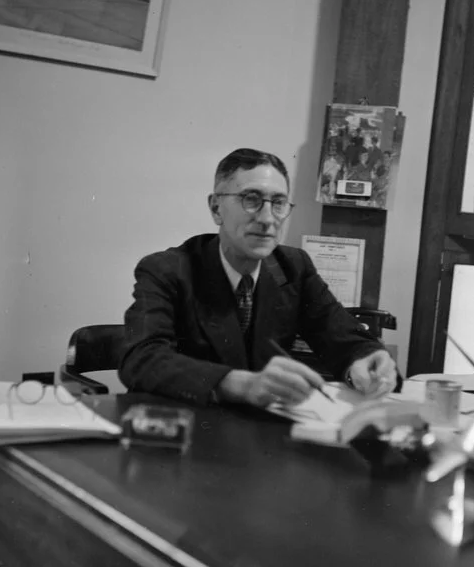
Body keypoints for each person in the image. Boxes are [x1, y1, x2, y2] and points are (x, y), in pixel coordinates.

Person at [119, 148, 400, 408]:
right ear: (216, 208)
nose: (268, 219)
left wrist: (365, 360)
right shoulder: (167, 269)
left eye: (278, 203)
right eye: (251, 199)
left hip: (258, 435)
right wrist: (237, 384)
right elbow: (141, 358)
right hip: (180, 431)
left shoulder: (294, 267)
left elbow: (342, 335)